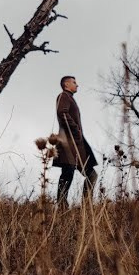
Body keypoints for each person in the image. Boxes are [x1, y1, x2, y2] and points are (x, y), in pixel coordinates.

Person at [53, 75, 97, 205]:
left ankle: (86, 207)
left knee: (92, 175)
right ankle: (61, 206)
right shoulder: (64, 96)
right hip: (67, 142)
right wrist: (75, 129)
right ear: (66, 85)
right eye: (74, 82)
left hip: (77, 144)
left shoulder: (70, 98)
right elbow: (62, 113)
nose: (77, 85)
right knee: (68, 173)